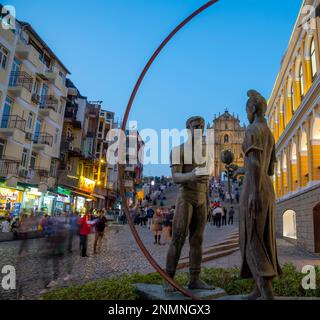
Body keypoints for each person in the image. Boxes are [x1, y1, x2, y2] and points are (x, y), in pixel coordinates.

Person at [240, 90, 282, 300]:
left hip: (254, 188)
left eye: (246, 109)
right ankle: (259, 288)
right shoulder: (268, 132)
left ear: (253, 108)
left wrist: (254, 192)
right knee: (264, 237)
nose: (246, 113)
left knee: (251, 238)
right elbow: (270, 168)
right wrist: (242, 170)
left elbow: (255, 161)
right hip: (267, 186)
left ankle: (267, 292)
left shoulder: (252, 130)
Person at [165, 116, 213, 292]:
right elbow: (175, 177)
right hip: (186, 196)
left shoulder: (205, 153)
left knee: (197, 240)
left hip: (201, 198)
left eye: (201, 126)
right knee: (178, 238)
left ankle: (195, 278)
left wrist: (207, 201)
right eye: (195, 126)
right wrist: (191, 176)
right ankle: (168, 278)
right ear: (188, 128)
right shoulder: (178, 150)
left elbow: (206, 180)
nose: (199, 128)